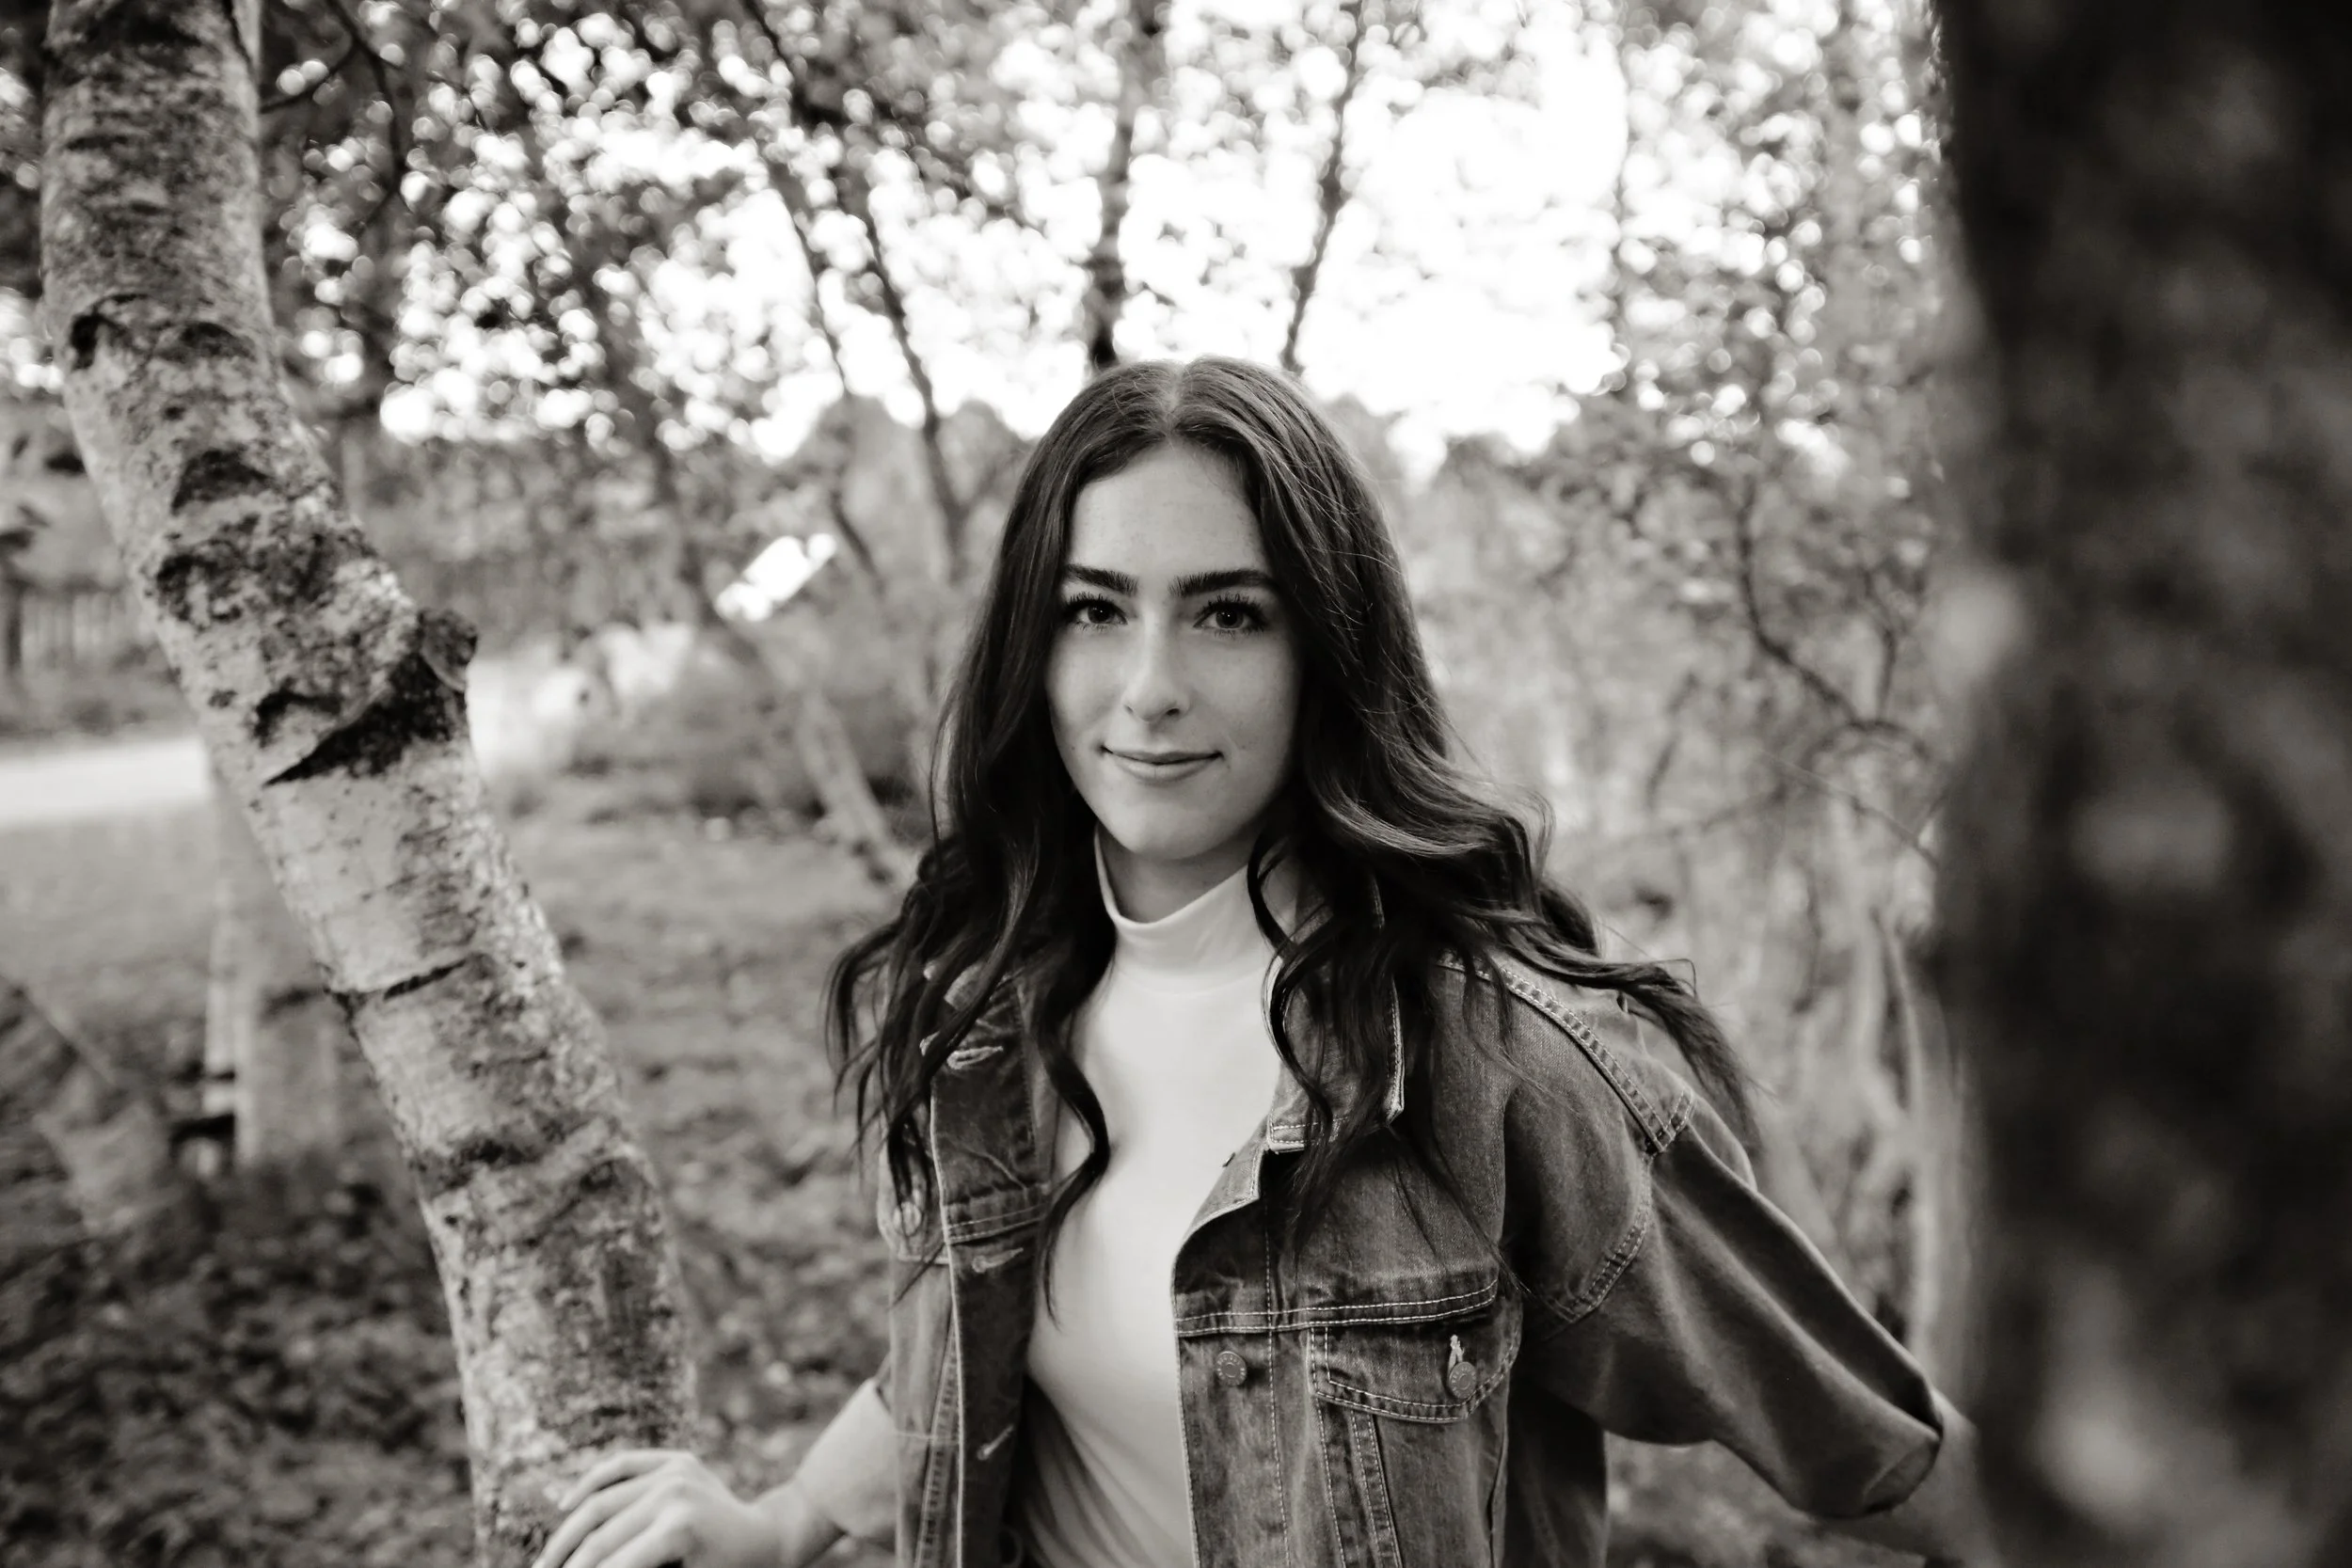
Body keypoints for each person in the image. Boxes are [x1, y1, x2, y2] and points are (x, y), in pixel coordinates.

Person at [532, 357, 2001, 1568]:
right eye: (1095, 609)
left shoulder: (1501, 1065)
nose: (1152, 688)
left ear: (1327, 653)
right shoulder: (986, 1009)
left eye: (1229, 612)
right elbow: (968, 1356)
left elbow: (1870, 1436)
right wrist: (784, 1518)